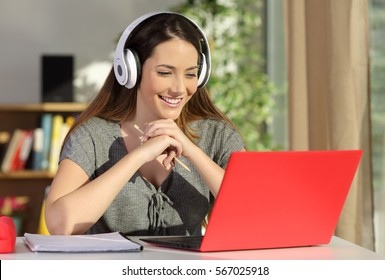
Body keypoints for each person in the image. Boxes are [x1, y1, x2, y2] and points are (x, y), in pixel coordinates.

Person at [45, 11, 245, 236]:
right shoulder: (92, 136)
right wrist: (138, 156)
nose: (179, 88)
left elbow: (255, 211)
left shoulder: (218, 135)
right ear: (131, 70)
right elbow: (60, 224)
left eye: (191, 74)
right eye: (165, 72)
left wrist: (193, 152)